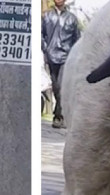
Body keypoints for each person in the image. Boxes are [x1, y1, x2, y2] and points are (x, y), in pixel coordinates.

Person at [43, 0, 80, 129]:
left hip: (66, 57)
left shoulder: (72, 19)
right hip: (51, 56)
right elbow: (41, 34)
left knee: (61, 86)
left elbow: (77, 39)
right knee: (55, 86)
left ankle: (59, 116)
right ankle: (59, 113)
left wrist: (73, 56)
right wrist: (45, 48)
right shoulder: (47, 16)